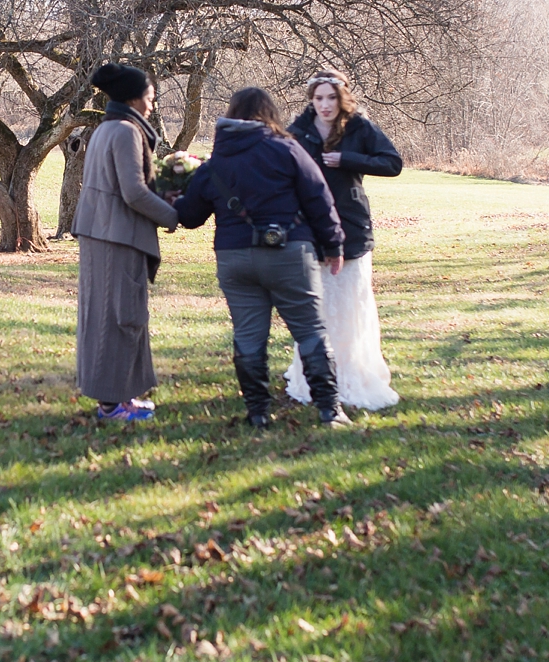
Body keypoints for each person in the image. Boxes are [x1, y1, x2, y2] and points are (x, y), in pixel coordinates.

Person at [175, 88, 348, 429]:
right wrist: (334, 245)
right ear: (269, 114)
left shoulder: (216, 163)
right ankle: (330, 411)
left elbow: (191, 216)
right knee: (310, 331)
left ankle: (258, 414)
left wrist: (173, 196)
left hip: (235, 259)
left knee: (248, 337)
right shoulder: (287, 149)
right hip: (289, 254)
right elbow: (319, 198)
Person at [284, 71, 402, 410]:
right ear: (311, 99)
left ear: (342, 97)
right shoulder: (298, 131)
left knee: (351, 306)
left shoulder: (359, 127)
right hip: (310, 229)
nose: (325, 105)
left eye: (331, 97)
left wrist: (349, 160)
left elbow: (392, 162)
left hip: (351, 227)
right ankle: (313, 376)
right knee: (314, 308)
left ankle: (351, 376)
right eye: (318, 98)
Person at [71, 63, 180, 422]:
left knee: (109, 314)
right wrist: (172, 215)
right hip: (115, 237)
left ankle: (120, 397)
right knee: (118, 317)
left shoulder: (106, 128)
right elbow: (133, 192)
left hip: (103, 233)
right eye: (149, 97)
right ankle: (112, 405)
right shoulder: (125, 131)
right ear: (134, 99)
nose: (152, 105)